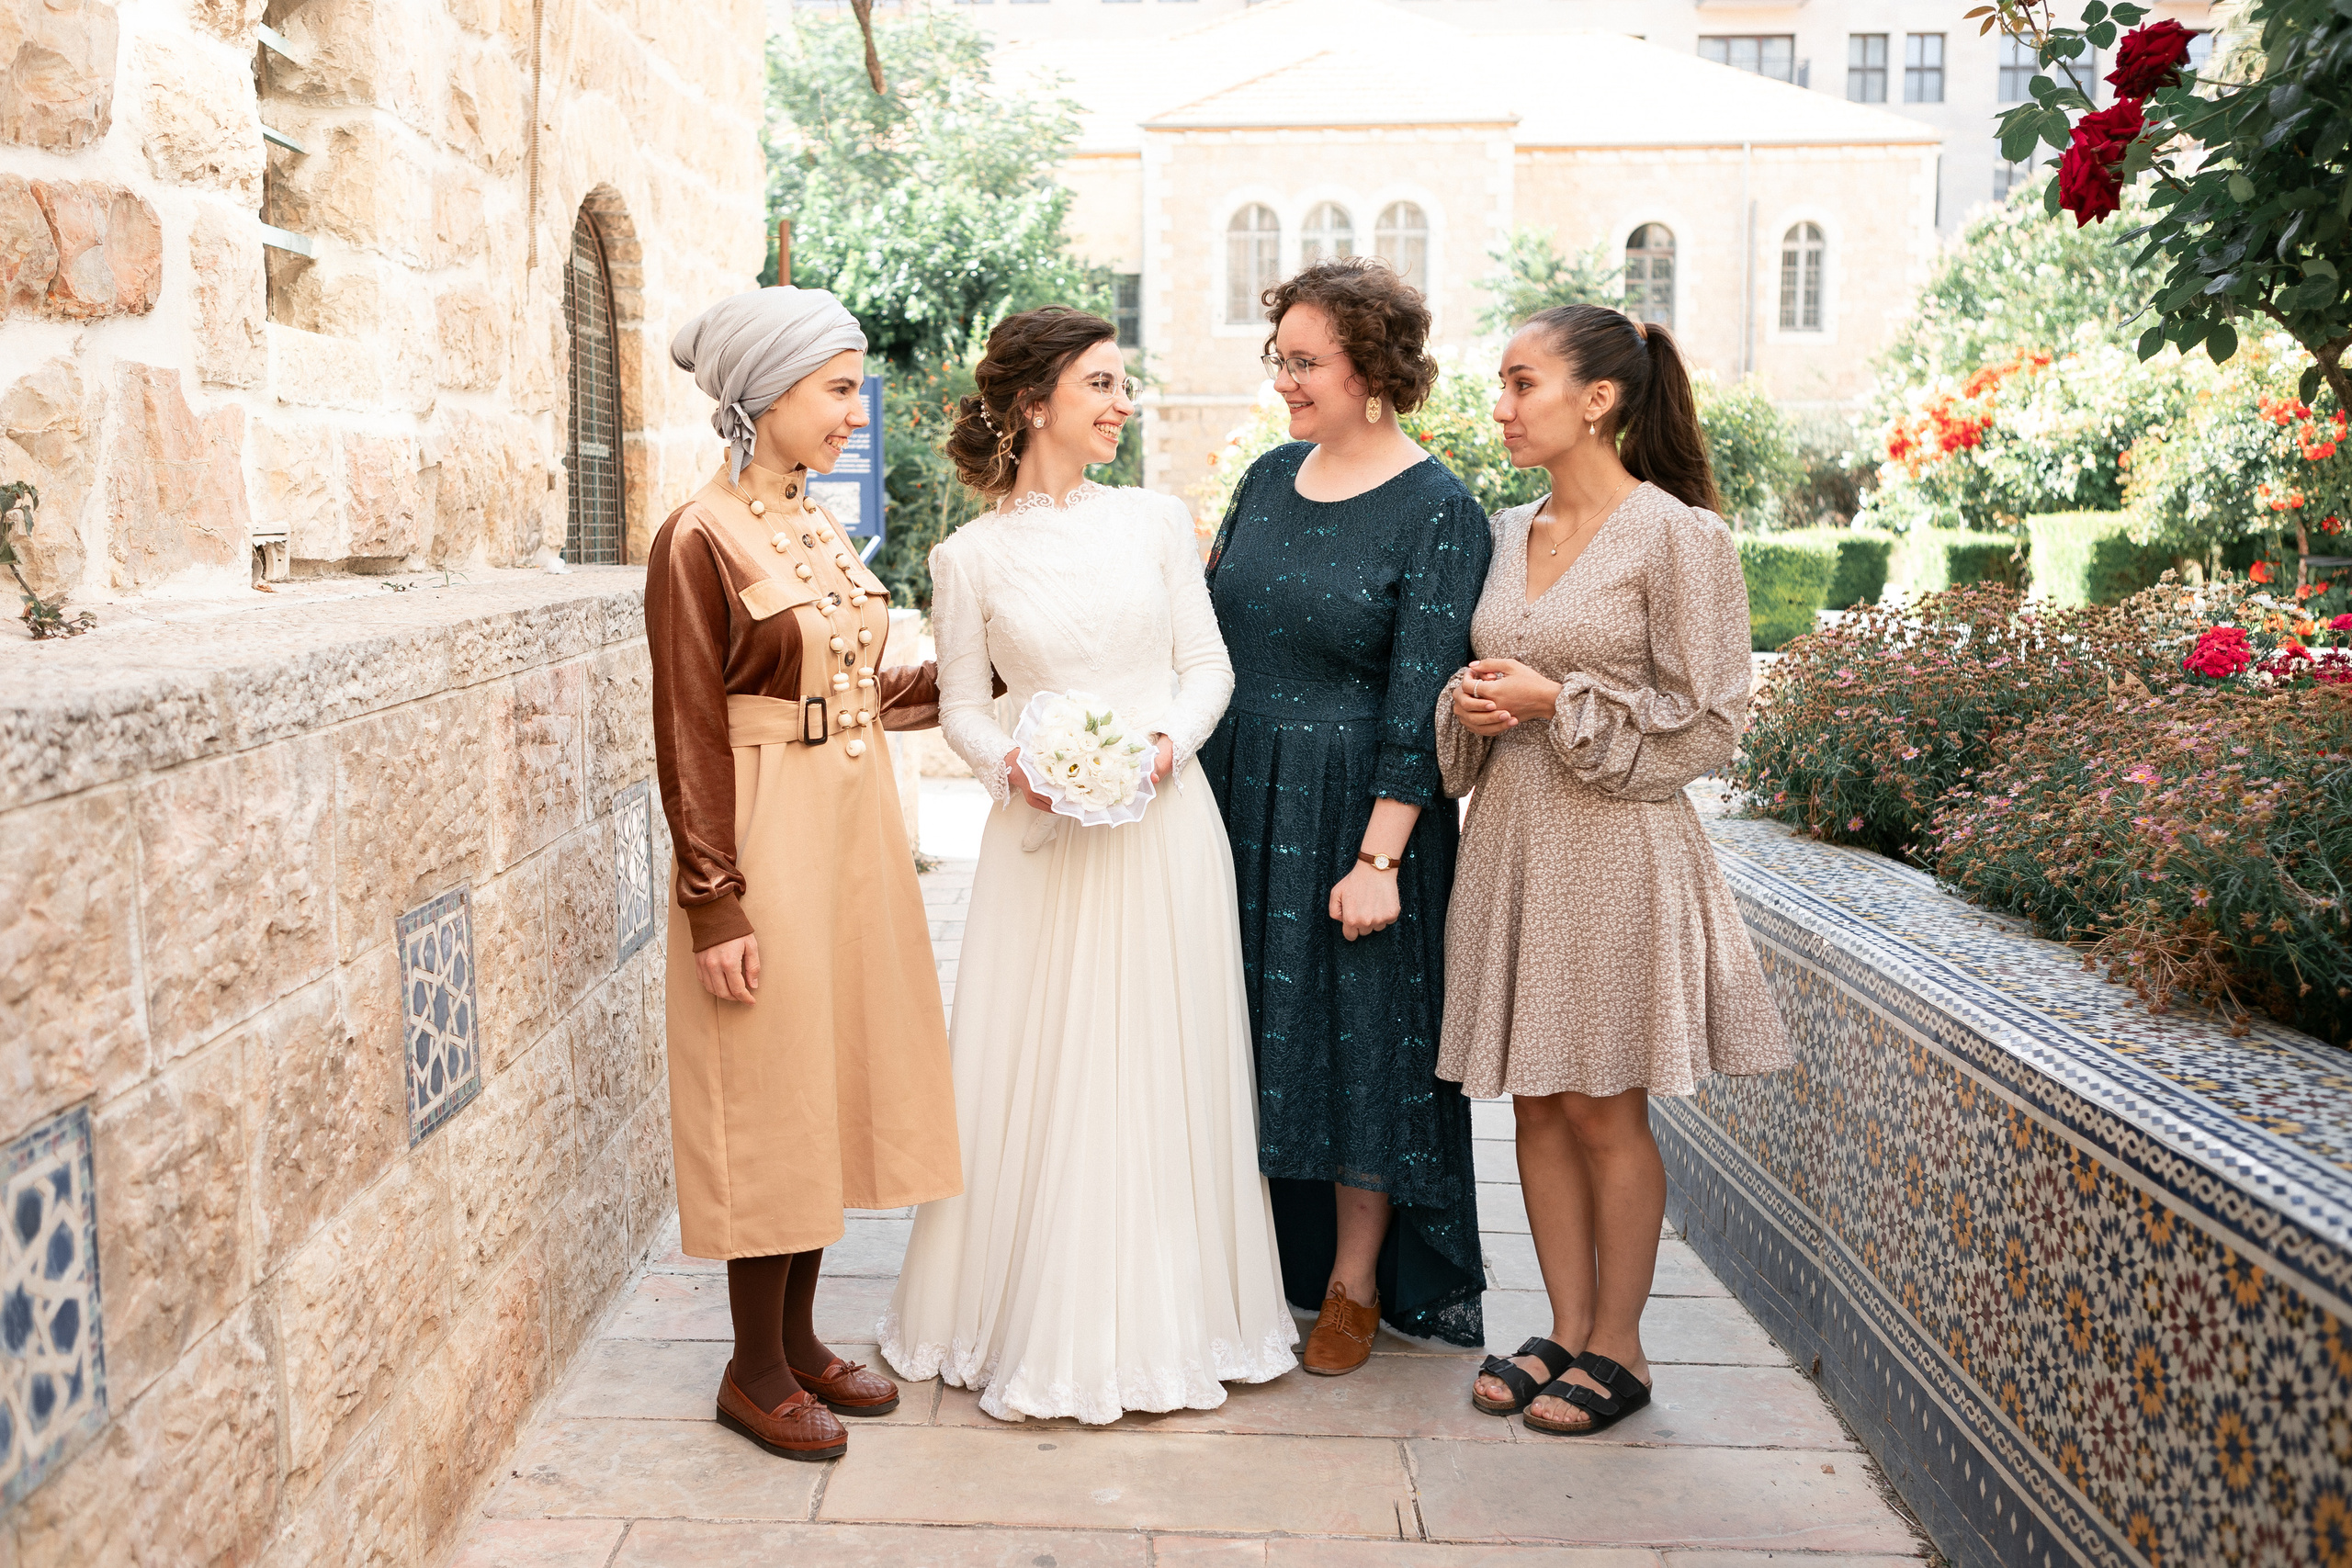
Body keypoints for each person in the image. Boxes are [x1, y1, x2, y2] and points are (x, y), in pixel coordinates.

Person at [879, 305, 1297, 1423]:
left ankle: (1178, 1320)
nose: (1123, 403)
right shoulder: (965, 558)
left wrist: (1161, 751)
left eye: (1123, 384)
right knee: (1046, 1059)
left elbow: (1207, 667)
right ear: (1034, 404)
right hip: (1044, 845)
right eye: (1101, 384)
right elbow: (962, 706)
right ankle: (1026, 1315)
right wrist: (1014, 767)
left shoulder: (1155, 522)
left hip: (1165, 827)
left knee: (1162, 1055)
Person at [1439, 304, 1791, 1435]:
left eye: (1521, 383)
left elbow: (1715, 720)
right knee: (1537, 1102)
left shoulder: (1678, 537)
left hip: (1616, 845)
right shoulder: (1504, 530)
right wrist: (1472, 704)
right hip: (1511, 837)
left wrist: (1557, 701)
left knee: (1600, 1104)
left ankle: (1620, 1348)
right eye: (1500, 384)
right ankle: (1564, 1327)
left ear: (1596, 400)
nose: (1500, 406)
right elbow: (1489, 674)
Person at [649, 286, 962, 1462]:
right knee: (765, 1086)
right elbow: (688, 727)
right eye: (835, 389)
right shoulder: (699, 536)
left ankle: (798, 1340)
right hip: (763, 832)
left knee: (824, 1075)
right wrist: (714, 900)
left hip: (850, 829)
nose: (852, 412)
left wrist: (980, 678)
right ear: (767, 393)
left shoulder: (814, 522)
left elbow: (849, 686)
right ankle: (753, 1371)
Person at [1199, 257, 1490, 1373]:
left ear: (1370, 369)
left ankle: (1353, 1282)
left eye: (1304, 361)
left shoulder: (1438, 510)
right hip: (1237, 794)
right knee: (1242, 1032)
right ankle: (1249, 1262)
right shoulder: (1269, 476)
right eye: (1278, 359)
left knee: (1362, 1044)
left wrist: (1379, 859)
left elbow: (1422, 703)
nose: (1284, 380)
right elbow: (1205, 630)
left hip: (1358, 817)